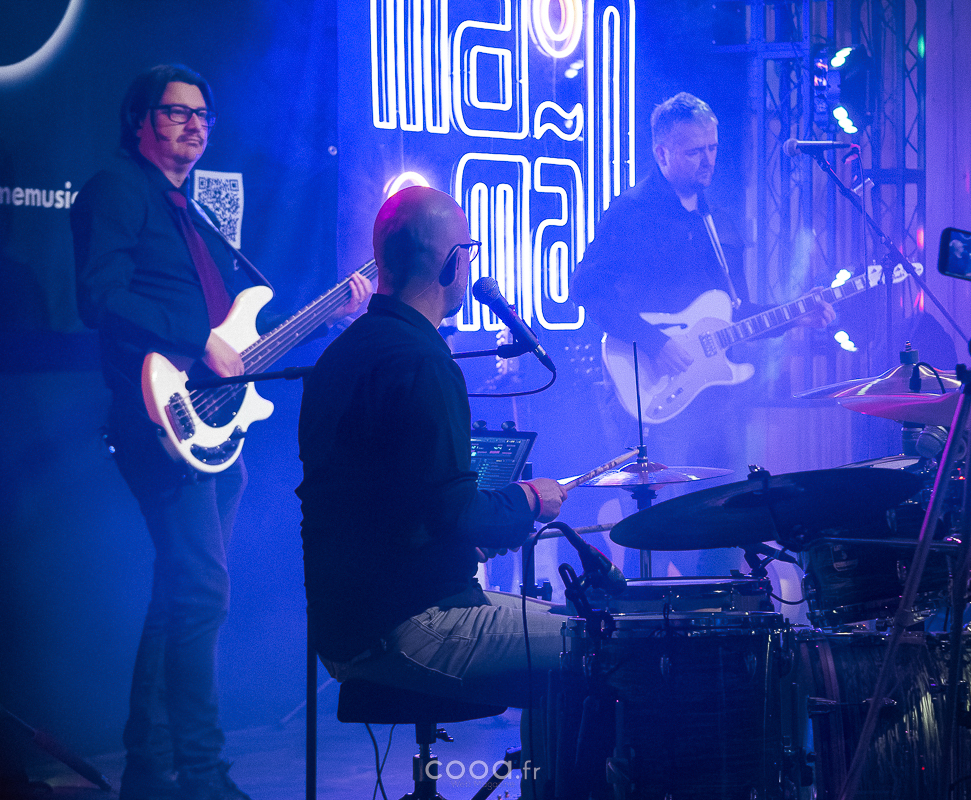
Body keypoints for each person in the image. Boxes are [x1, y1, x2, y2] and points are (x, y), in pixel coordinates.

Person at [71, 64, 368, 800]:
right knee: (202, 592)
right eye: (177, 113)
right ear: (139, 119)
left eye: (203, 115)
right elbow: (99, 296)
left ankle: (150, 767)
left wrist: (328, 316)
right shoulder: (118, 190)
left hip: (209, 423)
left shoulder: (188, 209)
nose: (194, 126)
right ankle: (200, 774)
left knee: (182, 592)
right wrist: (195, 337)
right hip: (155, 415)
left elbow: (238, 345)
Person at [296, 186, 569, 762]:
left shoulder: (340, 356)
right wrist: (528, 500)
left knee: (576, 625)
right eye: (469, 251)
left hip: (346, 627)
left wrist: (455, 535)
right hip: (412, 624)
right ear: (452, 263)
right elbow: (455, 511)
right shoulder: (423, 362)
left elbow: (385, 503)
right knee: (602, 639)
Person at [571, 91, 832, 573]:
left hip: (711, 397)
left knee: (726, 513)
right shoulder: (631, 212)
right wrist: (655, 342)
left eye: (712, 148)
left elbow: (734, 315)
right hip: (647, 386)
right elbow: (585, 288)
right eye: (694, 151)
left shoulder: (718, 221)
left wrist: (795, 315)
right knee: (664, 520)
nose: (708, 160)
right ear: (662, 152)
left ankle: (721, 603)